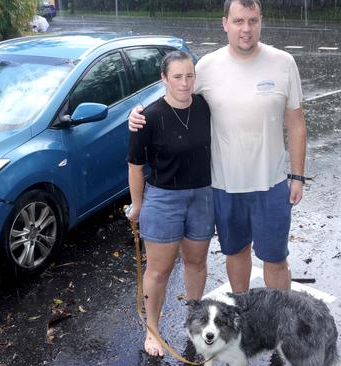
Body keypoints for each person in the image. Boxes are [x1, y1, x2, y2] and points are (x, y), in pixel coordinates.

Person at [129, 0, 307, 294]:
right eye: (238, 21)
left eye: (252, 20)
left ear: (261, 21)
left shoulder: (284, 63)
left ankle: (280, 323)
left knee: (276, 259)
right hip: (224, 186)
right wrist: (137, 113)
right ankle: (244, 313)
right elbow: (175, 96)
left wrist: (298, 176)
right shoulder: (208, 67)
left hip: (272, 184)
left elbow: (297, 122)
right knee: (236, 253)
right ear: (225, 23)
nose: (246, 29)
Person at [126, 50, 214, 357]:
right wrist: (137, 206)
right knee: (159, 271)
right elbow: (135, 166)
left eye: (190, 76)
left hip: (202, 196)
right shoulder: (147, 118)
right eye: (177, 76)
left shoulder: (205, 106)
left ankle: (195, 321)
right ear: (164, 78)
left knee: (196, 263)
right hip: (163, 200)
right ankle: (152, 330)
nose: (185, 83)